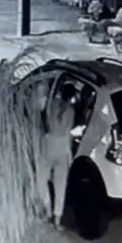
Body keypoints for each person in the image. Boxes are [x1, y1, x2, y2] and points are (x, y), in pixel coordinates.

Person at [44, 82, 77, 231]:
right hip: (63, 147)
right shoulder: (70, 111)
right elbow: (69, 128)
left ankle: (44, 210)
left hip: (49, 144)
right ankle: (57, 218)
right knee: (60, 184)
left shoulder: (51, 104)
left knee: (42, 178)